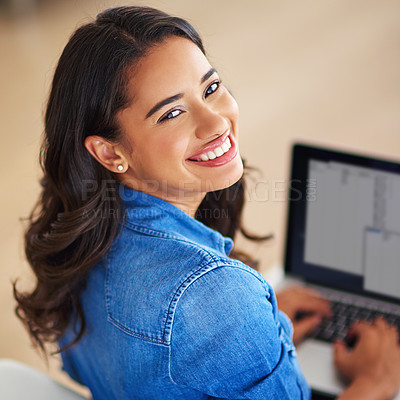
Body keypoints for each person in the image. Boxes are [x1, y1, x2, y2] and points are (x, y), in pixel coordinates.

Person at [13, 6, 400, 400]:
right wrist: (375, 382)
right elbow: (198, 310)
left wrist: (260, 331)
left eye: (210, 88)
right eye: (172, 113)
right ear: (110, 153)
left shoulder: (82, 239)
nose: (216, 122)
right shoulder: (217, 298)